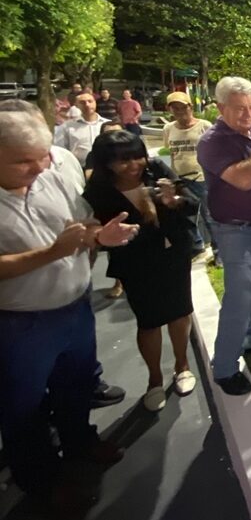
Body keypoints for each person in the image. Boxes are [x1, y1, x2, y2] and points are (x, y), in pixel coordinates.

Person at [0, 111, 137, 508]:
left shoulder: (52, 175)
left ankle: (80, 443)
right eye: (24, 160)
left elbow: (84, 222)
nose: (39, 166)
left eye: (42, 155)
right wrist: (52, 252)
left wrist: (100, 235)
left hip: (74, 309)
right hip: (19, 322)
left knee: (75, 386)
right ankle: (40, 480)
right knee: (23, 409)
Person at [83, 131, 199, 412]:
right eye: (123, 160)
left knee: (180, 312)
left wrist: (176, 202)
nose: (134, 164)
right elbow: (96, 233)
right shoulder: (97, 192)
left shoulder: (156, 170)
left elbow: (193, 203)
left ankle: (182, 366)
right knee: (148, 322)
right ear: (106, 163)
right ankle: (155, 380)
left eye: (137, 156)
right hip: (136, 263)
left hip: (174, 255)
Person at [197, 76, 251, 396]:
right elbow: (247, 179)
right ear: (220, 108)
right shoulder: (213, 141)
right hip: (235, 231)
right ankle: (224, 367)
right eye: (239, 109)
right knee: (240, 295)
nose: (248, 114)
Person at [163, 91, 217, 264]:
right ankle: (196, 246)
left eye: (182, 107)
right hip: (179, 177)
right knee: (184, 216)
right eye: (175, 108)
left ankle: (219, 252)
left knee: (209, 215)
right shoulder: (168, 129)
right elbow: (169, 153)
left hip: (201, 176)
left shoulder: (204, 126)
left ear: (190, 107)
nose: (179, 112)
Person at [53, 92, 110, 166]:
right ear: (76, 106)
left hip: (106, 168)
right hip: (78, 168)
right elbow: (60, 150)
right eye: (82, 102)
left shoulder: (108, 124)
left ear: (95, 103)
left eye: (90, 101)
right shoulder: (66, 127)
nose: (87, 105)